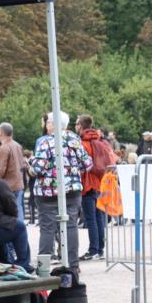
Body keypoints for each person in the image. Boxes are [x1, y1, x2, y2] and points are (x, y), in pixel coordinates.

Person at [30, 111, 92, 271]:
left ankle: (43, 268)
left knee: (47, 228)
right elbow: (87, 164)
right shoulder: (75, 140)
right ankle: (73, 266)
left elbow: (38, 168)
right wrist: (70, 168)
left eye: (48, 121)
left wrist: (31, 162)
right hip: (72, 191)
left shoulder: (45, 142)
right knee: (71, 226)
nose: (46, 124)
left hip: (47, 192)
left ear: (53, 124)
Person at [76, 115, 109, 260]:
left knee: (91, 219)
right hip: (100, 183)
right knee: (99, 217)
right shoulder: (100, 141)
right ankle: (100, 249)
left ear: (81, 126)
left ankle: (93, 249)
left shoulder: (83, 143)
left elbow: (82, 164)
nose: (75, 127)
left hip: (88, 184)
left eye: (77, 124)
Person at [0, 122, 26, 221]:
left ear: (0, 133)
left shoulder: (3, 148)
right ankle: (21, 233)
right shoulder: (18, 146)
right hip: (18, 184)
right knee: (18, 211)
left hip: (8, 187)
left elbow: (0, 171)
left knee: (8, 215)